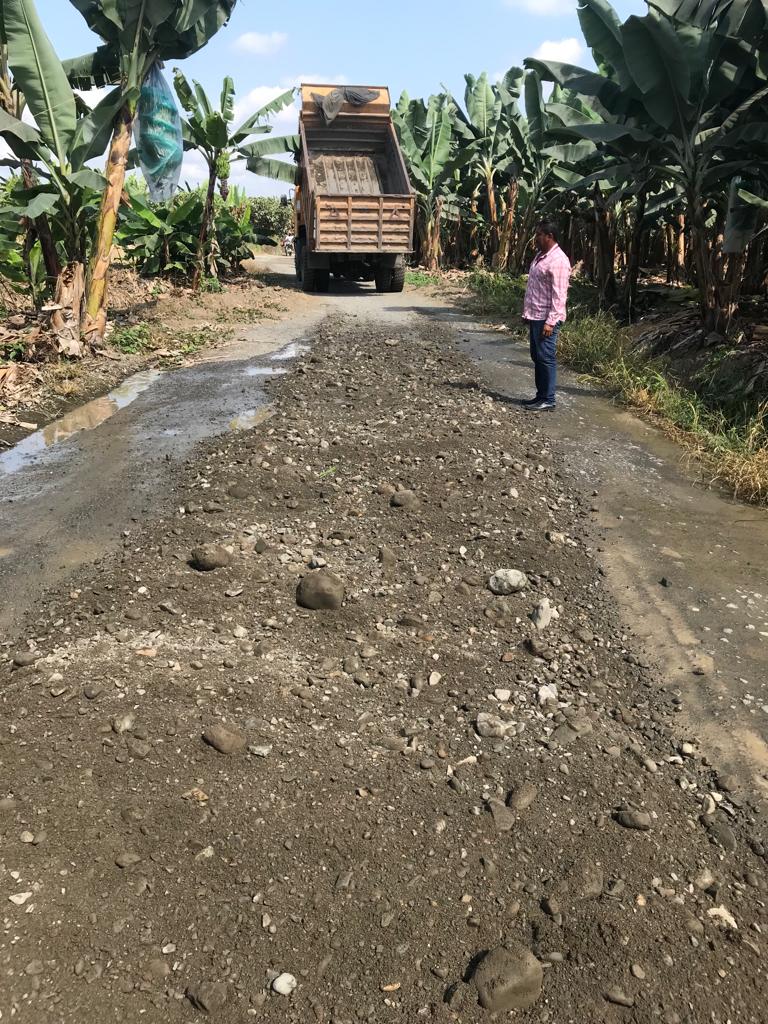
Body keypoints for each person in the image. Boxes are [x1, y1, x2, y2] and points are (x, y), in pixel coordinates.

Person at [521, 220, 571, 411]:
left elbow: (560, 296)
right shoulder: (541, 256)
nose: (536, 238)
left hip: (547, 318)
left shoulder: (558, 261)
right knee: (537, 356)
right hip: (535, 315)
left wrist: (550, 322)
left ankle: (548, 399)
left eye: (539, 234)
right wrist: (527, 313)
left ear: (550, 236)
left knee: (546, 357)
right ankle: (540, 396)